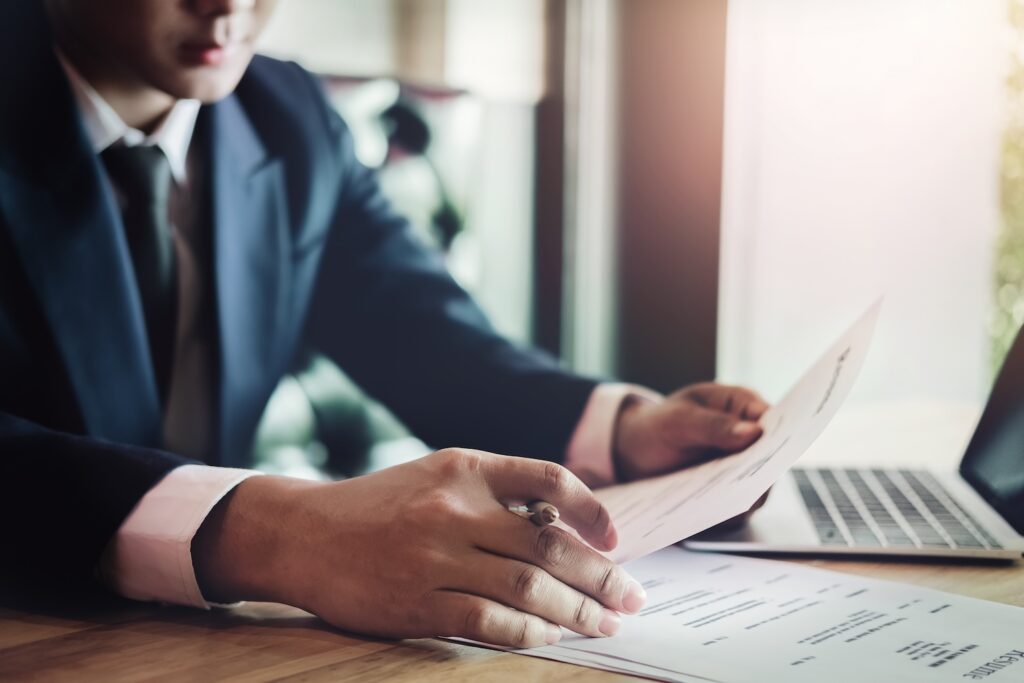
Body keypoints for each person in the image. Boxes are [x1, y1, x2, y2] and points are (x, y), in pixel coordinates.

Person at [0, 0, 769, 648]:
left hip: (198, 645)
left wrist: (625, 426)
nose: (229, 5)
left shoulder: (284, 116)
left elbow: (419, 330)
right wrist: (282, 535)